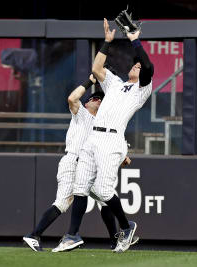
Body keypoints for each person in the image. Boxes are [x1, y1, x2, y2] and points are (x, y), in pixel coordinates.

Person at [53, 18, 154, 253]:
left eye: (138, 66)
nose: (136, 66)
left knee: (102, 191)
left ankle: (127, 227)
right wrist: (107, 43)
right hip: (94, 138)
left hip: (112, 140)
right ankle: (71, 235)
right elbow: (97, 69)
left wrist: (134, 40)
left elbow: (148, 68)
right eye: (135, 64)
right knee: (80, 187)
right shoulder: (116, 84)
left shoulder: (141, 90)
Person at [22, 74, 135, 252]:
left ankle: (115, 240)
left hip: (86, 166)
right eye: (94, 98)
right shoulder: (82, 114)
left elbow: (108, 147)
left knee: (105, 199)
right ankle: (35, 235)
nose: (97, 101)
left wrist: (122, 157)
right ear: (89, 101)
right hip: (73, 163)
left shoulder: (103, 124)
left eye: (100, 99)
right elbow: (72, 98)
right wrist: (89, 81)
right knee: (62, 202)